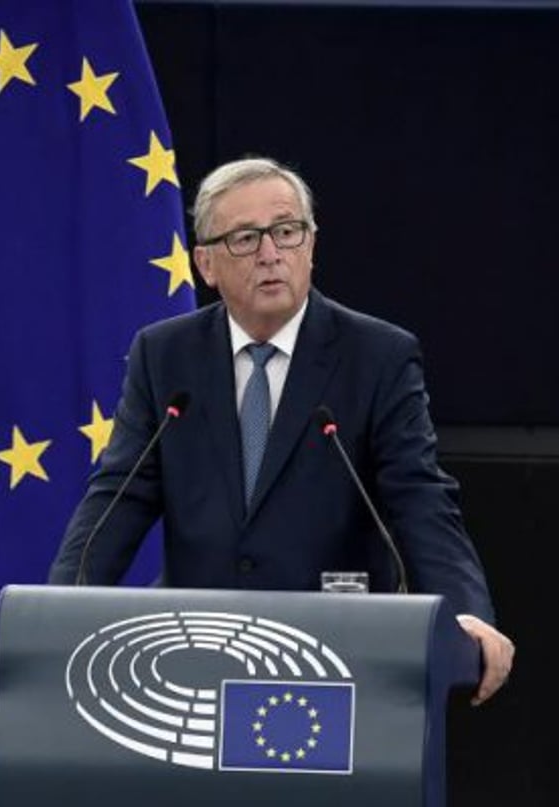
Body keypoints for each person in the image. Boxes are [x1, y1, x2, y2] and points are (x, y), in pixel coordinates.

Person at [48, 155, 514, 705]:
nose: (271, 254)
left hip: (336, 656)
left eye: (287, 232)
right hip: (193, 656)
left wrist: (465, 610)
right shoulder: (164, 355)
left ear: (311, 246)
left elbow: (420, 497)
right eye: (245, 238)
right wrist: (59, 612)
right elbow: (118, 497)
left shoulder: (376, 357)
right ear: (206, 264)